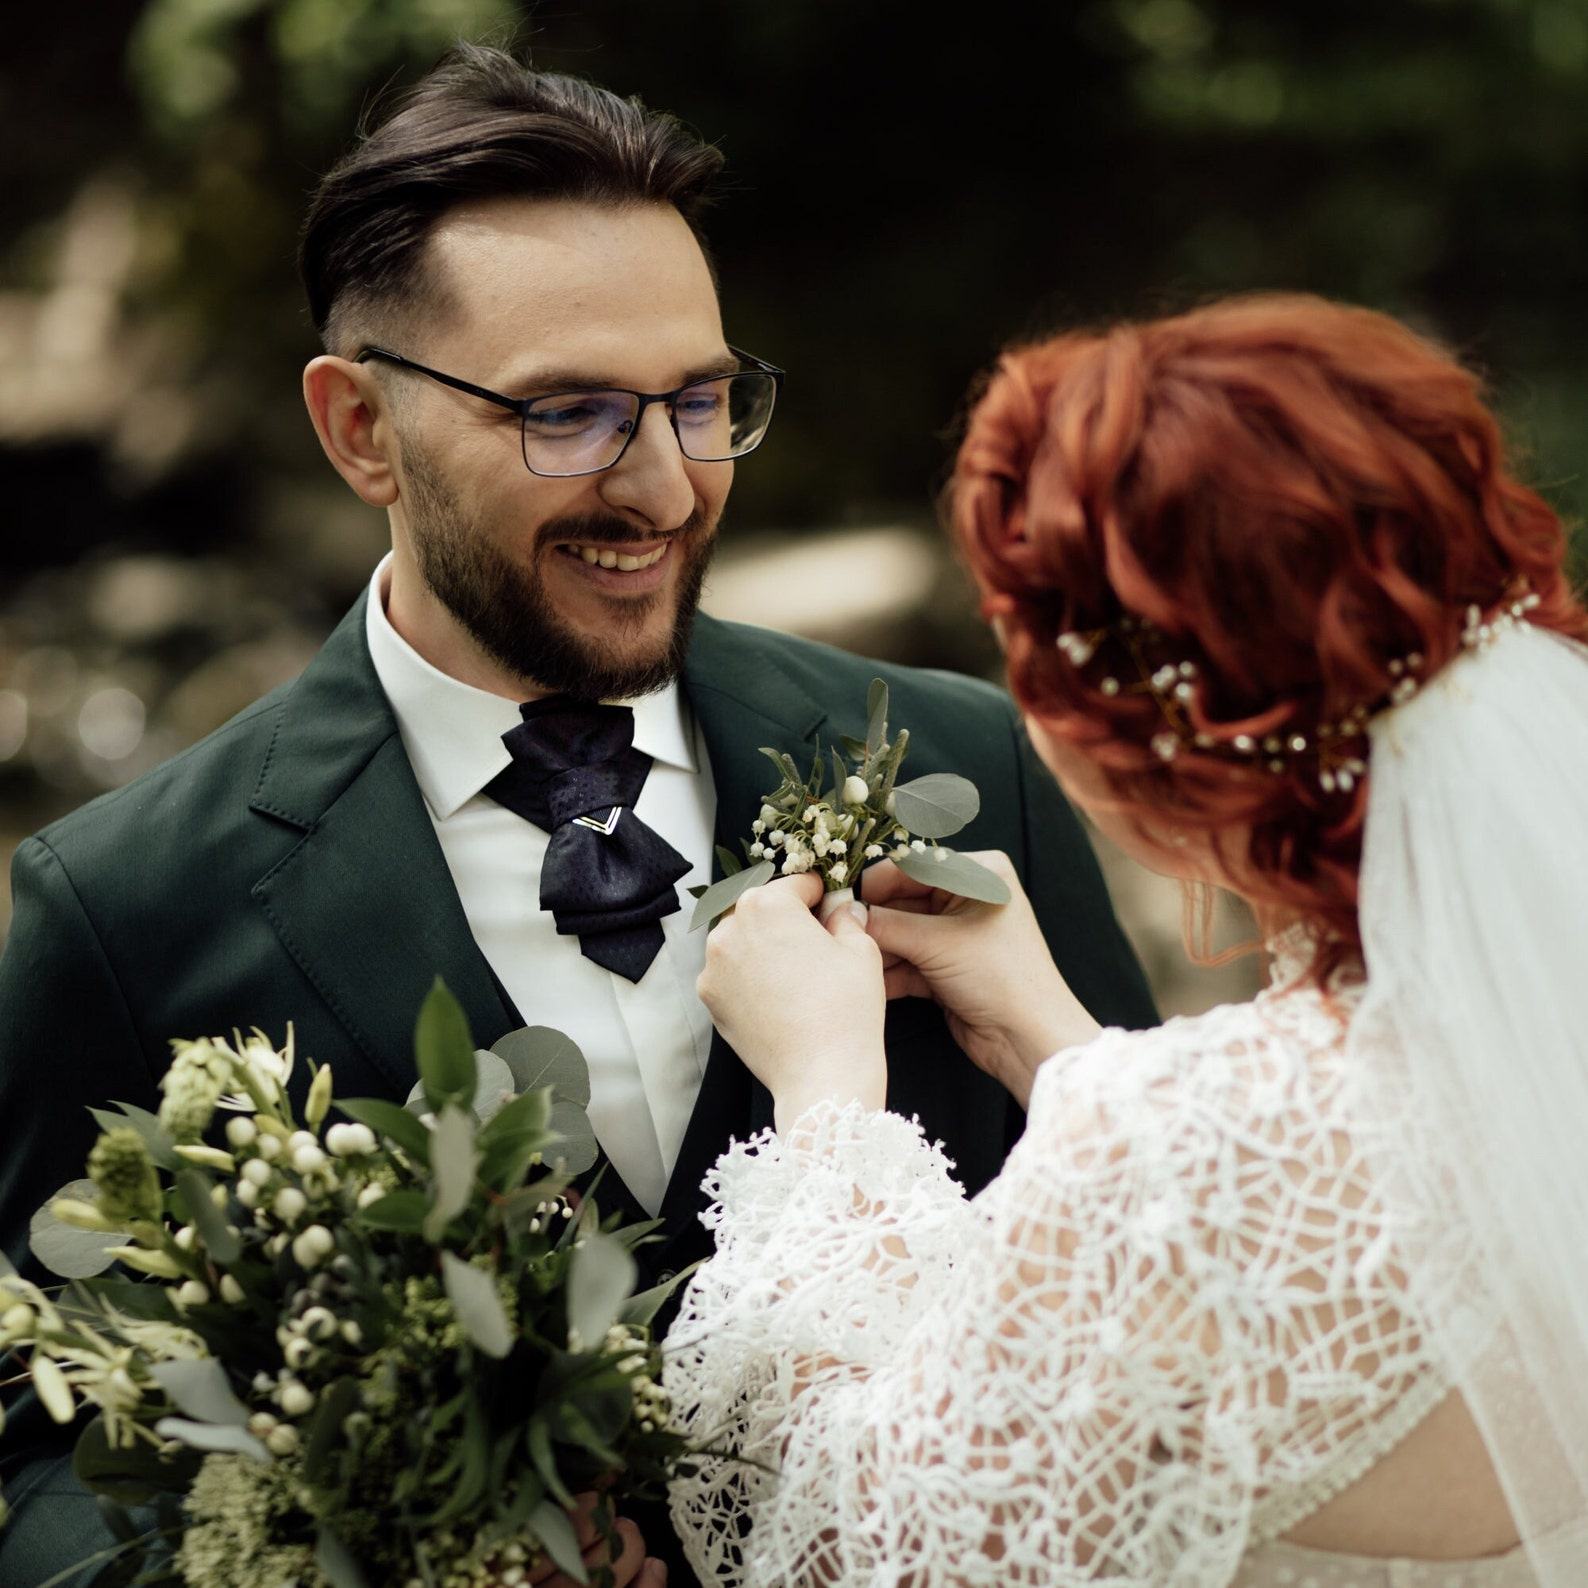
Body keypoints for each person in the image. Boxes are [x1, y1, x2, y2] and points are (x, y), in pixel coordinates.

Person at [0, 45, 1156, 1587]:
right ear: (360, 432)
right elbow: (40, 1456)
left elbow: (1169, 1283)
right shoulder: (122, 903)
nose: (670, 491)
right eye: (572, 417)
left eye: (699, 400)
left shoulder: (963, 763)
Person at [666, 294, 1588, 1586]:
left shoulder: (1179, 1158)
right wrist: (1058, 1044)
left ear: (1122, 731)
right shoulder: (1540, 1011)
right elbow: (1317, 1241)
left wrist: (824, 1103)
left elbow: (843, 1546)